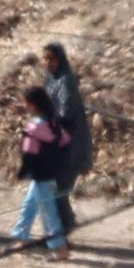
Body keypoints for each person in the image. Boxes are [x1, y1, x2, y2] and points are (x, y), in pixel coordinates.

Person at [11, 86, 72, 262]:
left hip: (40, 175)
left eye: (26, 103)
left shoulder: (33, 127)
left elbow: (29, 153)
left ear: (32, 105)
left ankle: (60, 248)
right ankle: (22, 238)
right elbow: (65, 142)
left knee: (48, 212)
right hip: (51, 173)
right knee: (29, 204)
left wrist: (22, 172)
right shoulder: (52, 123)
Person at [42, 43, 92, 235]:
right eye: (45, 59)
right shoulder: (49, 79)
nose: (48, 63)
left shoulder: (66, 81)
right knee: (54, 190)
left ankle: (63, 231)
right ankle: (63, 228)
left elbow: (66, 113)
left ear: (60, 60)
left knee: (58, 190)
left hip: (71, 146)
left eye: (51, 59)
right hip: (56, 145)